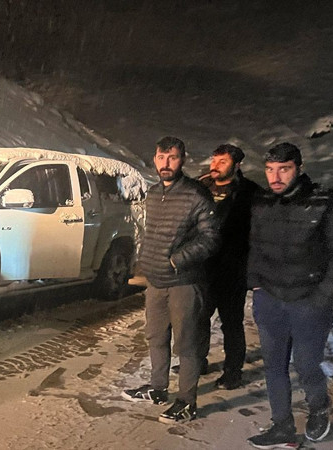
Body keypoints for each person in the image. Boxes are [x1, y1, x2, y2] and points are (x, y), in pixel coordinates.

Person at [246, 143, 333, 448]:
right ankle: (281, 425)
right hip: (270, 300)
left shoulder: (327, 202)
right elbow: (254, 247)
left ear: (299, 168)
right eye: (270, 169)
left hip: (309, 301)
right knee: (274, 366)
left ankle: (318, 406)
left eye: (284, 169)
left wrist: (322, 299)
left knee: (307, 365)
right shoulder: (262, 202)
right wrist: (256, 285)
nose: (275, 177)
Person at [121, 136, 219, 424]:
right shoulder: (153, 193)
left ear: (182, 159)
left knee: (187, 343)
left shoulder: (195, 194)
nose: (166, 164)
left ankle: (187, 401)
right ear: (154, 158)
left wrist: (177, 259)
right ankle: (157, 388)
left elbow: (211, 238)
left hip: (183, 282)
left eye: (173, 157)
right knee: (156, 336)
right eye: (162, 158)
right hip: (156, 281)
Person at [197, 144, 262, 390]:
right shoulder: (201, 187)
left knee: (231, 323)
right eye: (214, 160)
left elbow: (258, 233)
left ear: (236, 165)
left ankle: (233, 371)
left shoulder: (250, 193)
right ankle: (197, 361)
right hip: (203, 267)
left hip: (232, 269)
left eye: (222, 162)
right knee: (199, 318)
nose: (215, 166)